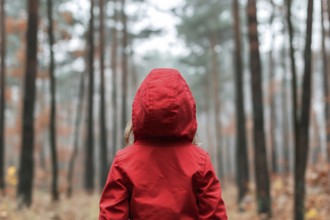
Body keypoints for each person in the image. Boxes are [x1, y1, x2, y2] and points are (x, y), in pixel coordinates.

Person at [99, 68, 227, 220]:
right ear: (186, 108)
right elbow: (214, 216)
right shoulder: (200, 161)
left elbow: (111, 216)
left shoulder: (123, 161)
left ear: (141, 108)